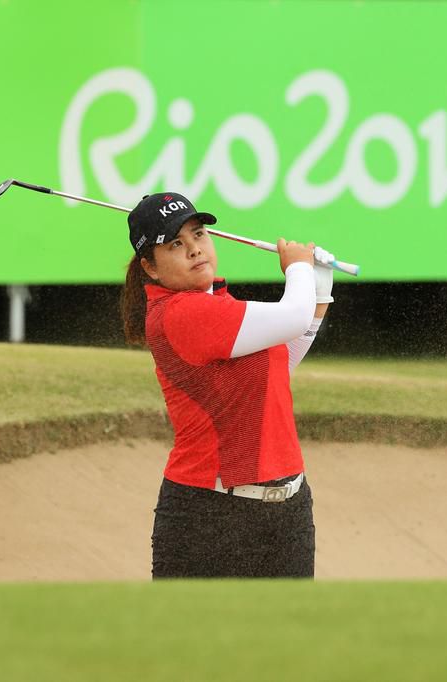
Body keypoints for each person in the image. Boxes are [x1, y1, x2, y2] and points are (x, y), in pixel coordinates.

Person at [119, 191, 334, 579]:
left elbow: (278, 365)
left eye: (199, 234)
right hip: (210, 517)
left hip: (288, 514)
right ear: (150, 267)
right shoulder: (180, 313)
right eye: (175, 244)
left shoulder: (220, 305)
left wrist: (320, 291)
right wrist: (299, 269)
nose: (194, 249)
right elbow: (292, 316)